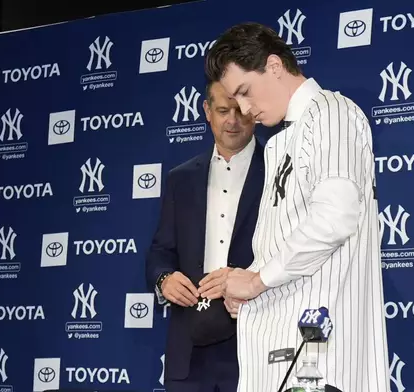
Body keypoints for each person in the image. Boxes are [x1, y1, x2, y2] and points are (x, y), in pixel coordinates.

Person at [204, 22, 390, 392]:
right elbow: (284, 248)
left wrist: (257, 282)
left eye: (244, 92)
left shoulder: (331, 112)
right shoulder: (278, 143)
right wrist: (254, 296)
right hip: (281, 347)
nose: (242, 109)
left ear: (274, 66)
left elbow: (334, 218)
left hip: (322, 351)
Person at [145, 78, 264, 392]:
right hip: (189, 346)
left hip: (255, 337)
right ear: (207, 111)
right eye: (223, 110)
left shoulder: (278, 170)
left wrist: (246, 278)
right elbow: (161, 250)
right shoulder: (180, 179)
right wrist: (164, 279)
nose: (232, 120)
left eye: (239, 110)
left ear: (254, 111)